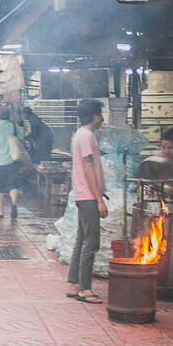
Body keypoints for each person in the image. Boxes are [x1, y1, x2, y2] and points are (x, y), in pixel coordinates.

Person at [67, 98, 106, 304]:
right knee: (91, 241)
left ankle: (74, 284)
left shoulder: (81, 134)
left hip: (83, 194)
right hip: (88, 196)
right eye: (100, 113)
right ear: (94, 115)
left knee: (81, 240)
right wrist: (99, 199)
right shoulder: (87, 136)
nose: (102, 117)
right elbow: (88, 169)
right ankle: (84, 288)